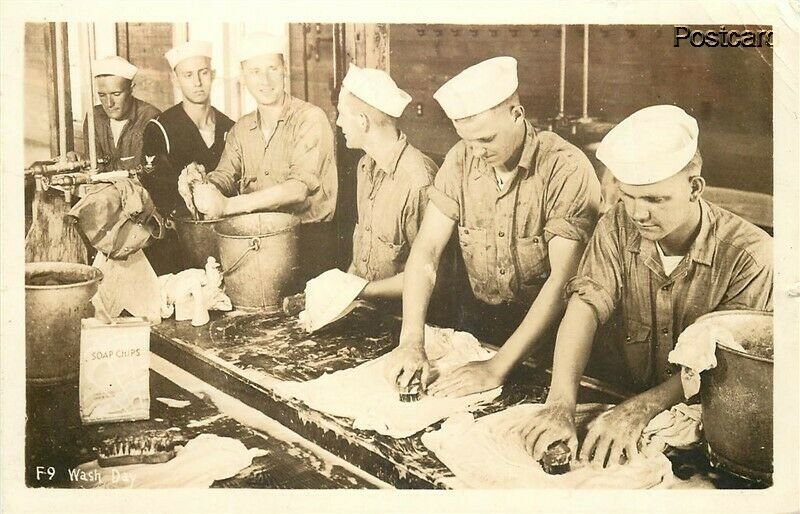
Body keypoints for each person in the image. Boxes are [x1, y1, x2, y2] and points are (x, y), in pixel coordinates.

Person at [514, 105, 773, 468]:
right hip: (621, 399)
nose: (637, 214)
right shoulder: (617, 226)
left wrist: (639, 411)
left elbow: (722, 365)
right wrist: (560, 405)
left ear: (695, 187)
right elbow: (584, 307)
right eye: (628, 196)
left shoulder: (752, 256)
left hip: (708, 427)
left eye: (654, 199)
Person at [383, 56, 602, 396]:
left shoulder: (566, 169)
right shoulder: (461, 159)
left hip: (551, 338)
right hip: (482, 327)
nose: (476, 152)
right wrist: (412, 340)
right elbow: (426, 250)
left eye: (486, 140)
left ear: (517, 115)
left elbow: (562, 281)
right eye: (467, 140)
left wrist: (497, 367)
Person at [180, 33, 338, 283]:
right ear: (243, 78)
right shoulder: (241, 130)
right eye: (255, 71)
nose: (265, 80)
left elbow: (297, 189)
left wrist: (229, 205)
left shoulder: (310, 119)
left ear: (284, 70)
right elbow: (224, 177)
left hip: (309, 245)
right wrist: (200, 183)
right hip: (259, 245)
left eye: (272, 69)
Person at [335, 64, 438, 305]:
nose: (339, 123)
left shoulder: (418, 181)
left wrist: (358, 291)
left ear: (363, 122)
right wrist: (341, 295)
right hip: (366, 307)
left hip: (404, 320)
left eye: (342, 114)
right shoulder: (364, 167)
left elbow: (429, 275)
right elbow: (362, 256)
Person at [140, 40, 235, 275]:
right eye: (188, 75)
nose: (197, 82)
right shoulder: (160, 129)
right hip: (176, 247)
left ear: (212, 75)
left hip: (225, 239)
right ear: (175, 79)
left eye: (203, 73)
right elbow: (155, 189)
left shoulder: (230, 128)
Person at [83, 56, 160, 170]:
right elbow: (93, 168)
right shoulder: (94, 117)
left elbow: (154, 174)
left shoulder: (151, 118)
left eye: (116, 94)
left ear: (131, 89)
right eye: (102, 95)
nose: (109, 103)